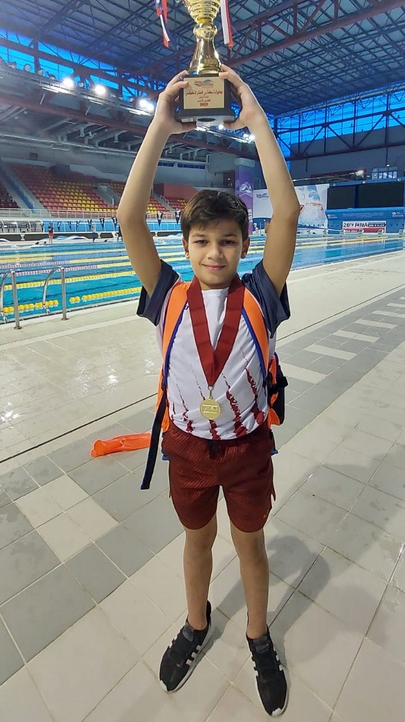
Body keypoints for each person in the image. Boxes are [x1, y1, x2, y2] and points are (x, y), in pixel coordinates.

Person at [117, 67, 300, 717]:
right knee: (196, 543)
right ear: (186, 246)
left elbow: (291, 212)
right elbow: (127, 218)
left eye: (227, 241)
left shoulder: (261, 297)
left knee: (248, 545)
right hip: (189, 446)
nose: (214, 252)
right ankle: (196, 624)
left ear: (245, 246)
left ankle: (256, 636)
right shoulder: (167, 296)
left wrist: (254, 120)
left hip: (247, 446)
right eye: (202, 241)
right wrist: (161, 126)